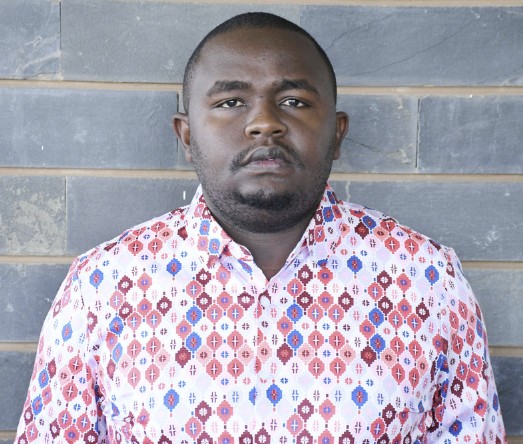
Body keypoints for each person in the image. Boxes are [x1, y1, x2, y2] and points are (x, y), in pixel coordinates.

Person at [16, 12, 506, 444]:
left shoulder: (427, 279)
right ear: (186, 136)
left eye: (293, 101)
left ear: (337, 134)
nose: (264, 123)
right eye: (231, 102)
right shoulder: (102, 287)